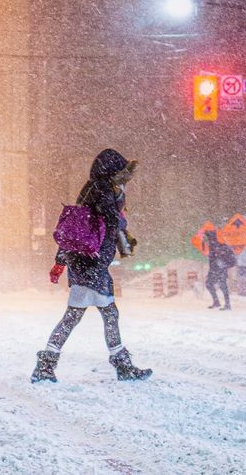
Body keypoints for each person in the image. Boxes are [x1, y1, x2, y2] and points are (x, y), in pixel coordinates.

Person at [32, 149, 152, 383]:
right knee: (90, 315)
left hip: (86, 263)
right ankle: (48, 365)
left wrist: (60, 261)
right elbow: (112, 219)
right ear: (111, 172)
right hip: (92, 264)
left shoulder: (92, 189)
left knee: (92, 315)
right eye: (120, 173)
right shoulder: (102, 189)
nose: (123, 179)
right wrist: (121, 211)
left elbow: (75, 229)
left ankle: (47, 364)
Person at [204, 231, 235, 311]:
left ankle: (227, 304)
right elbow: (212, 260)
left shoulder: (221, 247)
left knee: (222, 286)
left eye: (208, 239)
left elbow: (231, 261)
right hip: (214, 270)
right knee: (209, 284)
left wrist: (223, 265)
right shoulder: (212, 247)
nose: (207, 241)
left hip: (221, 270)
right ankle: (217, 302)